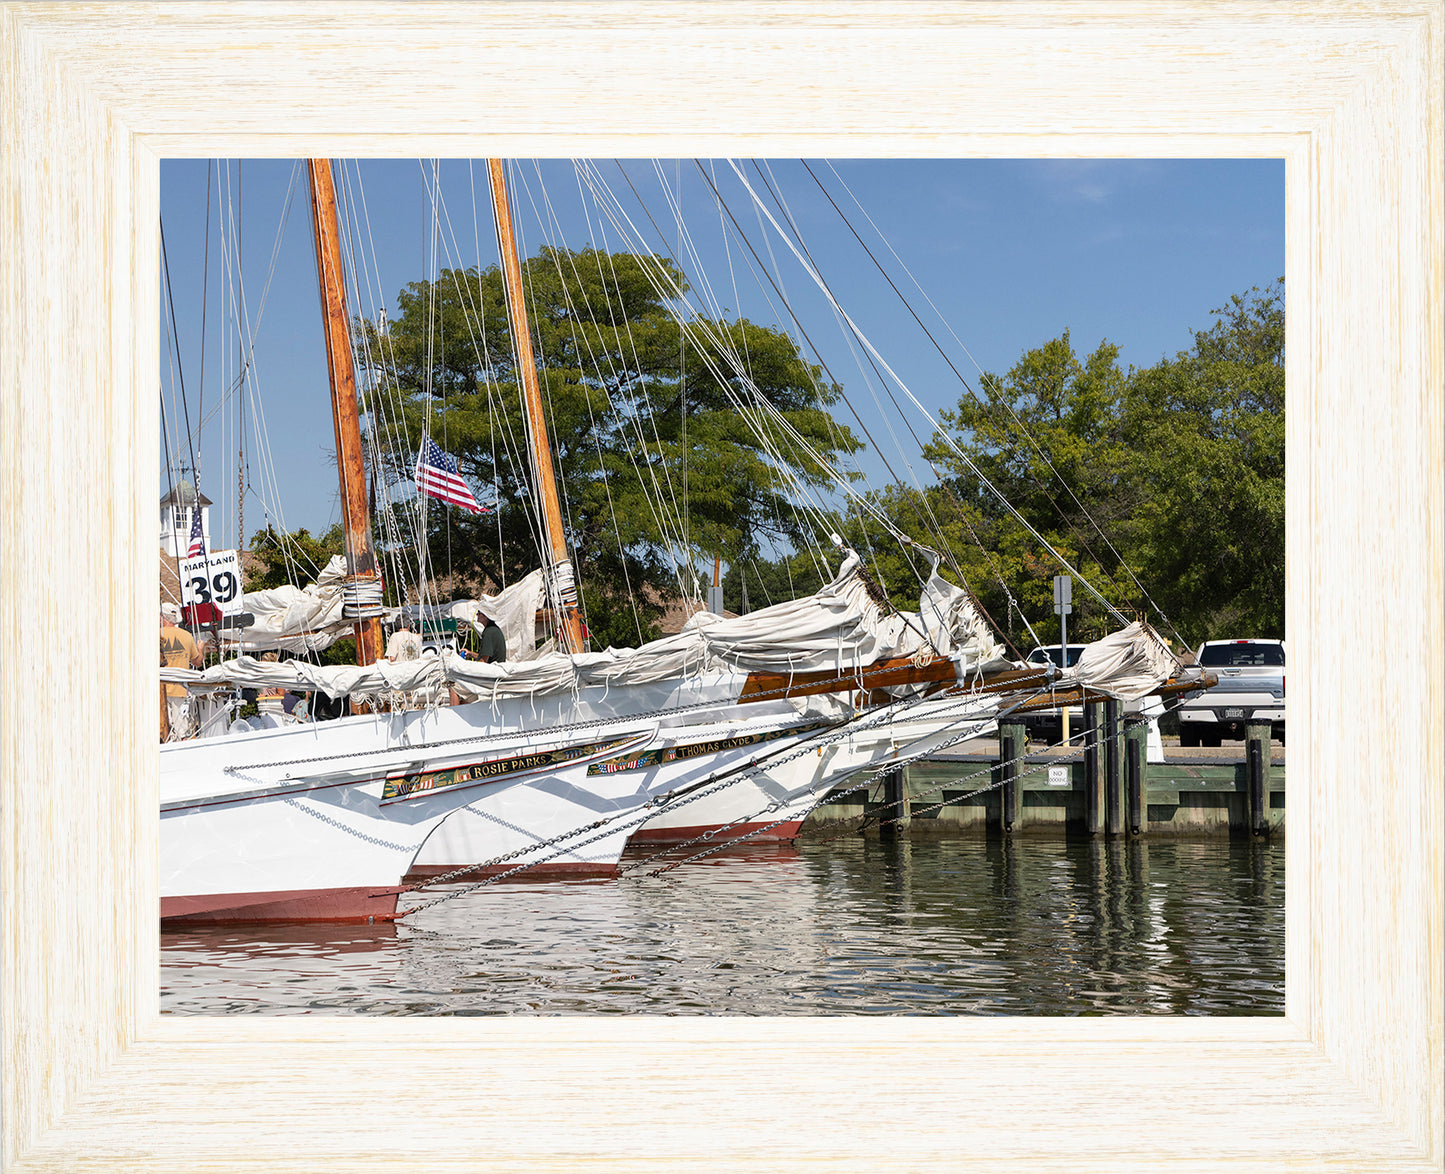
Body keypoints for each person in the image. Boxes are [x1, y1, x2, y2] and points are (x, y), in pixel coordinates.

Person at [160, 606, 204, 741]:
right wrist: (200, 649)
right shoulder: (186, 635)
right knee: (182, 732)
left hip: (160, 691)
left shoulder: (155, 635)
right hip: (181, 689)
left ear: (163, 618)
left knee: (162, 732)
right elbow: (197, 662)